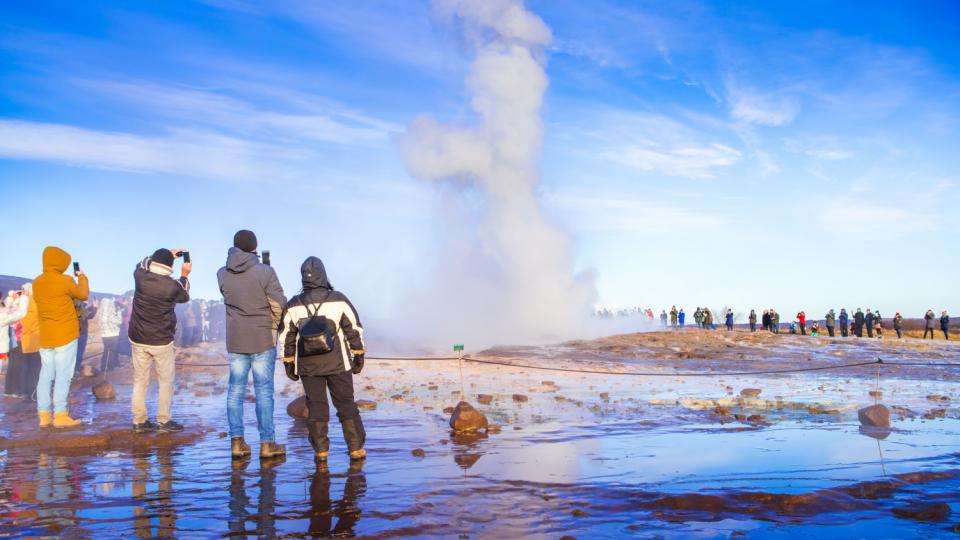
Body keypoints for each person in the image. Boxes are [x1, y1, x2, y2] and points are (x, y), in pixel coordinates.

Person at [280, 257, 367, 463]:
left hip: (308, 365)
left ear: (304, 278)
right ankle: (355, 449)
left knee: (316, 407)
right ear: (323, 275)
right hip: (338, 362)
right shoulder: (338, 299)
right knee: (345, 404)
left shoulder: (293, 304)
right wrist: (358, 354)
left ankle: (321, 452)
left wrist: (288, 362)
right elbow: (353, 329)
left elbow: (286, 337)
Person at [218, 230, 287, 460]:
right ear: (254, 248)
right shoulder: (265, 271)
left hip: (236, 339)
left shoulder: (222, 274)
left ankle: (237, 443)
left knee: (235, 391)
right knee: (264, 392)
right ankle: (267, 444)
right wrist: (274, 327)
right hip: (262, 338)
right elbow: (278, 304)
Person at [128, 249, 191, 433]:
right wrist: (185, 274)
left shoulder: (140, 276)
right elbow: (185, 296)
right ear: (169, 266)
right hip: (161, 340)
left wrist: (167, 254)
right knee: (165, 381)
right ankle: (163, 421)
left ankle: (139, 421)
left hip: (138, 337)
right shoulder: (172, 286)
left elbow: (142, 262)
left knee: (140, 381)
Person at [32, 246, 89, 428]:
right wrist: (82, 277)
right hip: (65, 334)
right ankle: (60, 415)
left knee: (45, 375)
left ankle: (43, 416)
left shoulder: (36, 282)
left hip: (46, 336)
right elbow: (83, 294)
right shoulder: (65, 280)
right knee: (63, 374)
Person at [1, 291, 29, 378]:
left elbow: (5, 309)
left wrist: (11, 299)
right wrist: (24, 298)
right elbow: (21, 314)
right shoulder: (2, 317)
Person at [97, 297, 121, 372]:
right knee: (112, 352)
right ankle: (110, 368)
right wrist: (119, 312)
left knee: (106, 351)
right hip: (113, 334)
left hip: (104, 335)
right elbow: (119, 321)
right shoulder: (111, 314)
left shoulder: (99, 313)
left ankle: (103, 367)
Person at [73, 300, 95, 374]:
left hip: (74, 333)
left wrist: (91, 306)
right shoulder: (78, 306)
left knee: (75, 352)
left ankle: (76, 367)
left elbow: (85, 312)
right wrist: (95, 307)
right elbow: (89, 315)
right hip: (81, 333)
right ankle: (76, 369)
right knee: (79, 352)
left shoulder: (73, 305)